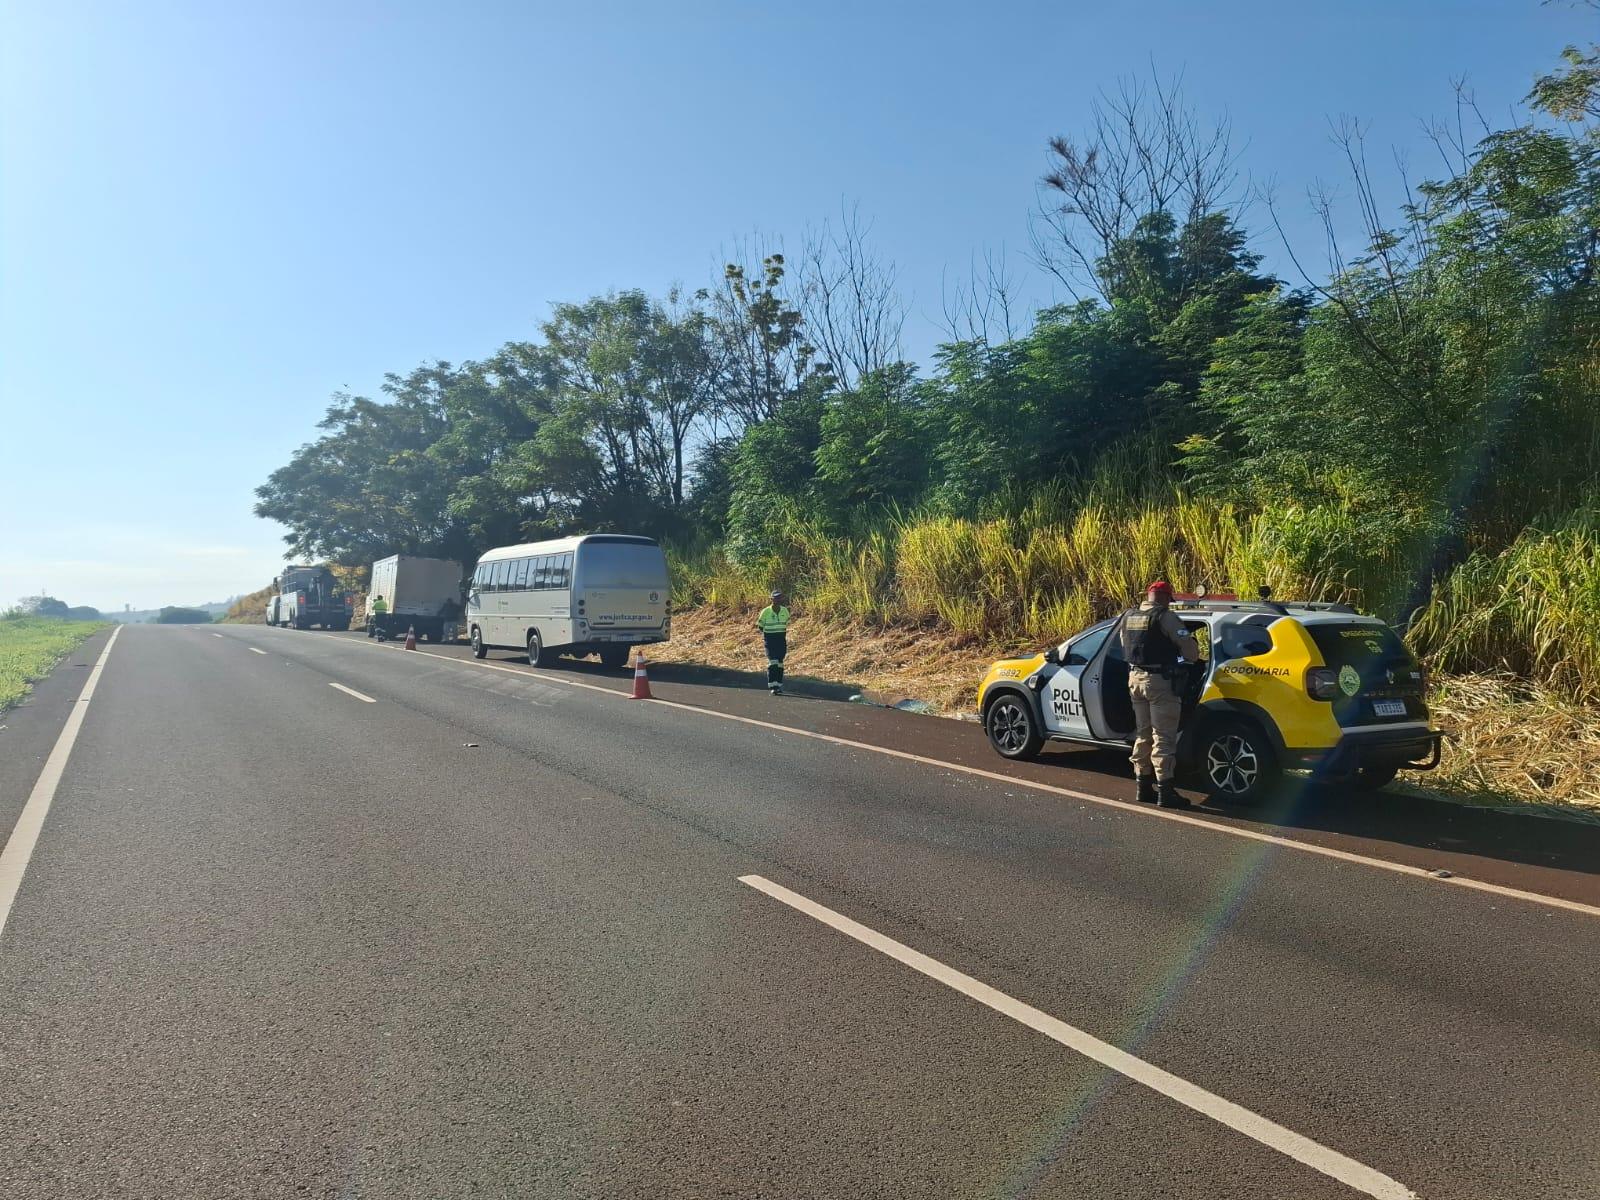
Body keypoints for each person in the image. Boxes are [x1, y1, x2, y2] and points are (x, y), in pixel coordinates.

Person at [1119, 581, 1201, 809]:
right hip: (1159, 683)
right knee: (1163, 737)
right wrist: (1181, 659)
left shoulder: (1128, 616)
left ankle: (1143, 786)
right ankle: (1165, 791)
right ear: (1165, 598)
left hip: (1135, 679)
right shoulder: (1166, 617)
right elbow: (1191, 653)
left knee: (1143, 733)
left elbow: (1126, 646)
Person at [756, 590, 791, 695]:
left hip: (781, 640)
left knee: (780, 663)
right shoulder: (765, 611)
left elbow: (787, 624)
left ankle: (778, 685)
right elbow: (760, 626)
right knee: (773, 662)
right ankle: (773, 686)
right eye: (775, 598)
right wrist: (769, 634)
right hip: (770, 640)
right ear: (771, 599)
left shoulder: (785, 611)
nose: (777, 600)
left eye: (779, 597)